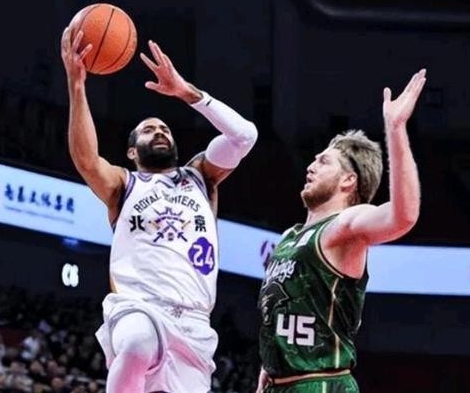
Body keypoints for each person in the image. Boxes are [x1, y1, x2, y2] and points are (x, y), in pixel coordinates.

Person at [60, 26, 258, 393]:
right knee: (138, 344)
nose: (160, 131)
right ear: (132, 151)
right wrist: (77, 85)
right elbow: (87, 160)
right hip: (138, 307)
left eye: (164, 128)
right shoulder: (124, 184)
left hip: (194, 325)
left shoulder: (201, 177)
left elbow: (245, 136)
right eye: (149, 130)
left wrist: (187, 94)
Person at [256, 69, 427, 392]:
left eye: (324, 161)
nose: (311, 166)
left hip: (322, 382)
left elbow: (403, 216)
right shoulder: (289, 236)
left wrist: (395, 128)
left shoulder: (345, 225)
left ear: (348, 180)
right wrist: (273, 363)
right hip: (282, 382)